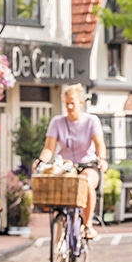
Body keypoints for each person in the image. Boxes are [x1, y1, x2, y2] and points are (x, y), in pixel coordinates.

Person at [35, 83, 108, 238]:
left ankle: (88, 225)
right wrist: (41, 161)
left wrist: (101, 159)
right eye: (66, 103)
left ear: (80, 102)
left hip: (87, 165)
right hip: (66, 166)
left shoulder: (91, 121)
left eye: (72, 103)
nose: (69, 107)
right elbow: (49, 148)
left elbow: (99, 144)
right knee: (56, 190)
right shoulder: (57, 122)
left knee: (85, 182)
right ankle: (58, 242)